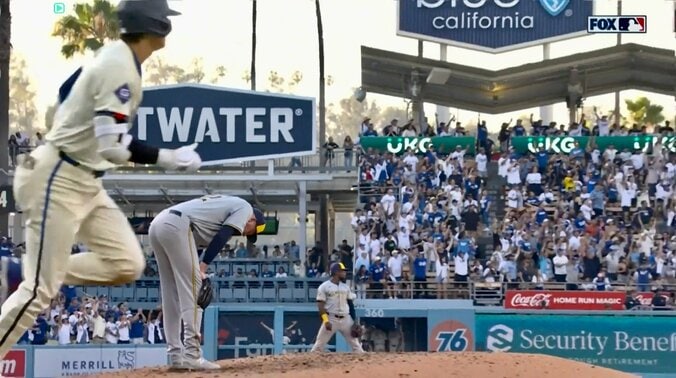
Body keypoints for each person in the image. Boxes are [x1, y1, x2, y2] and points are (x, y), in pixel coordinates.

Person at [0, 0, 201, 360]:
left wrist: (75, 122)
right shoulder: (119, 65)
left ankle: (19, 269)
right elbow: (111, 145)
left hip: (85, 180)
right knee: (39, 291)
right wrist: (166, 157)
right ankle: (27, 278)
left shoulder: (118, 59)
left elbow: (67, 93)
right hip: (57, 176)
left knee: (127, 263)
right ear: (155, 26)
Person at [148, 194, 267, 370]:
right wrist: (202, 268)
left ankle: (175, 356)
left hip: (158, 224)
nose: (244, 234)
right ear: (252, 220)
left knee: (170, 293)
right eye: (251, 231)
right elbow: (223, 235)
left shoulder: (223, 208)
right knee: (194, 292)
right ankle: (192, 355)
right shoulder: (246, 209)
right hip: (177, 225)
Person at [310, 262, 364, 353]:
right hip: (331, 318)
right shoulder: (324, 286)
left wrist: (354, 321)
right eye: (342, 271)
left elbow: (350, 305)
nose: (345, 273)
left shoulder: (346, 287)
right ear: (336, 272)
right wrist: (326, 321)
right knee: (318, 346)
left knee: (357, 347)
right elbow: (320, 305)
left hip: (346, 319)